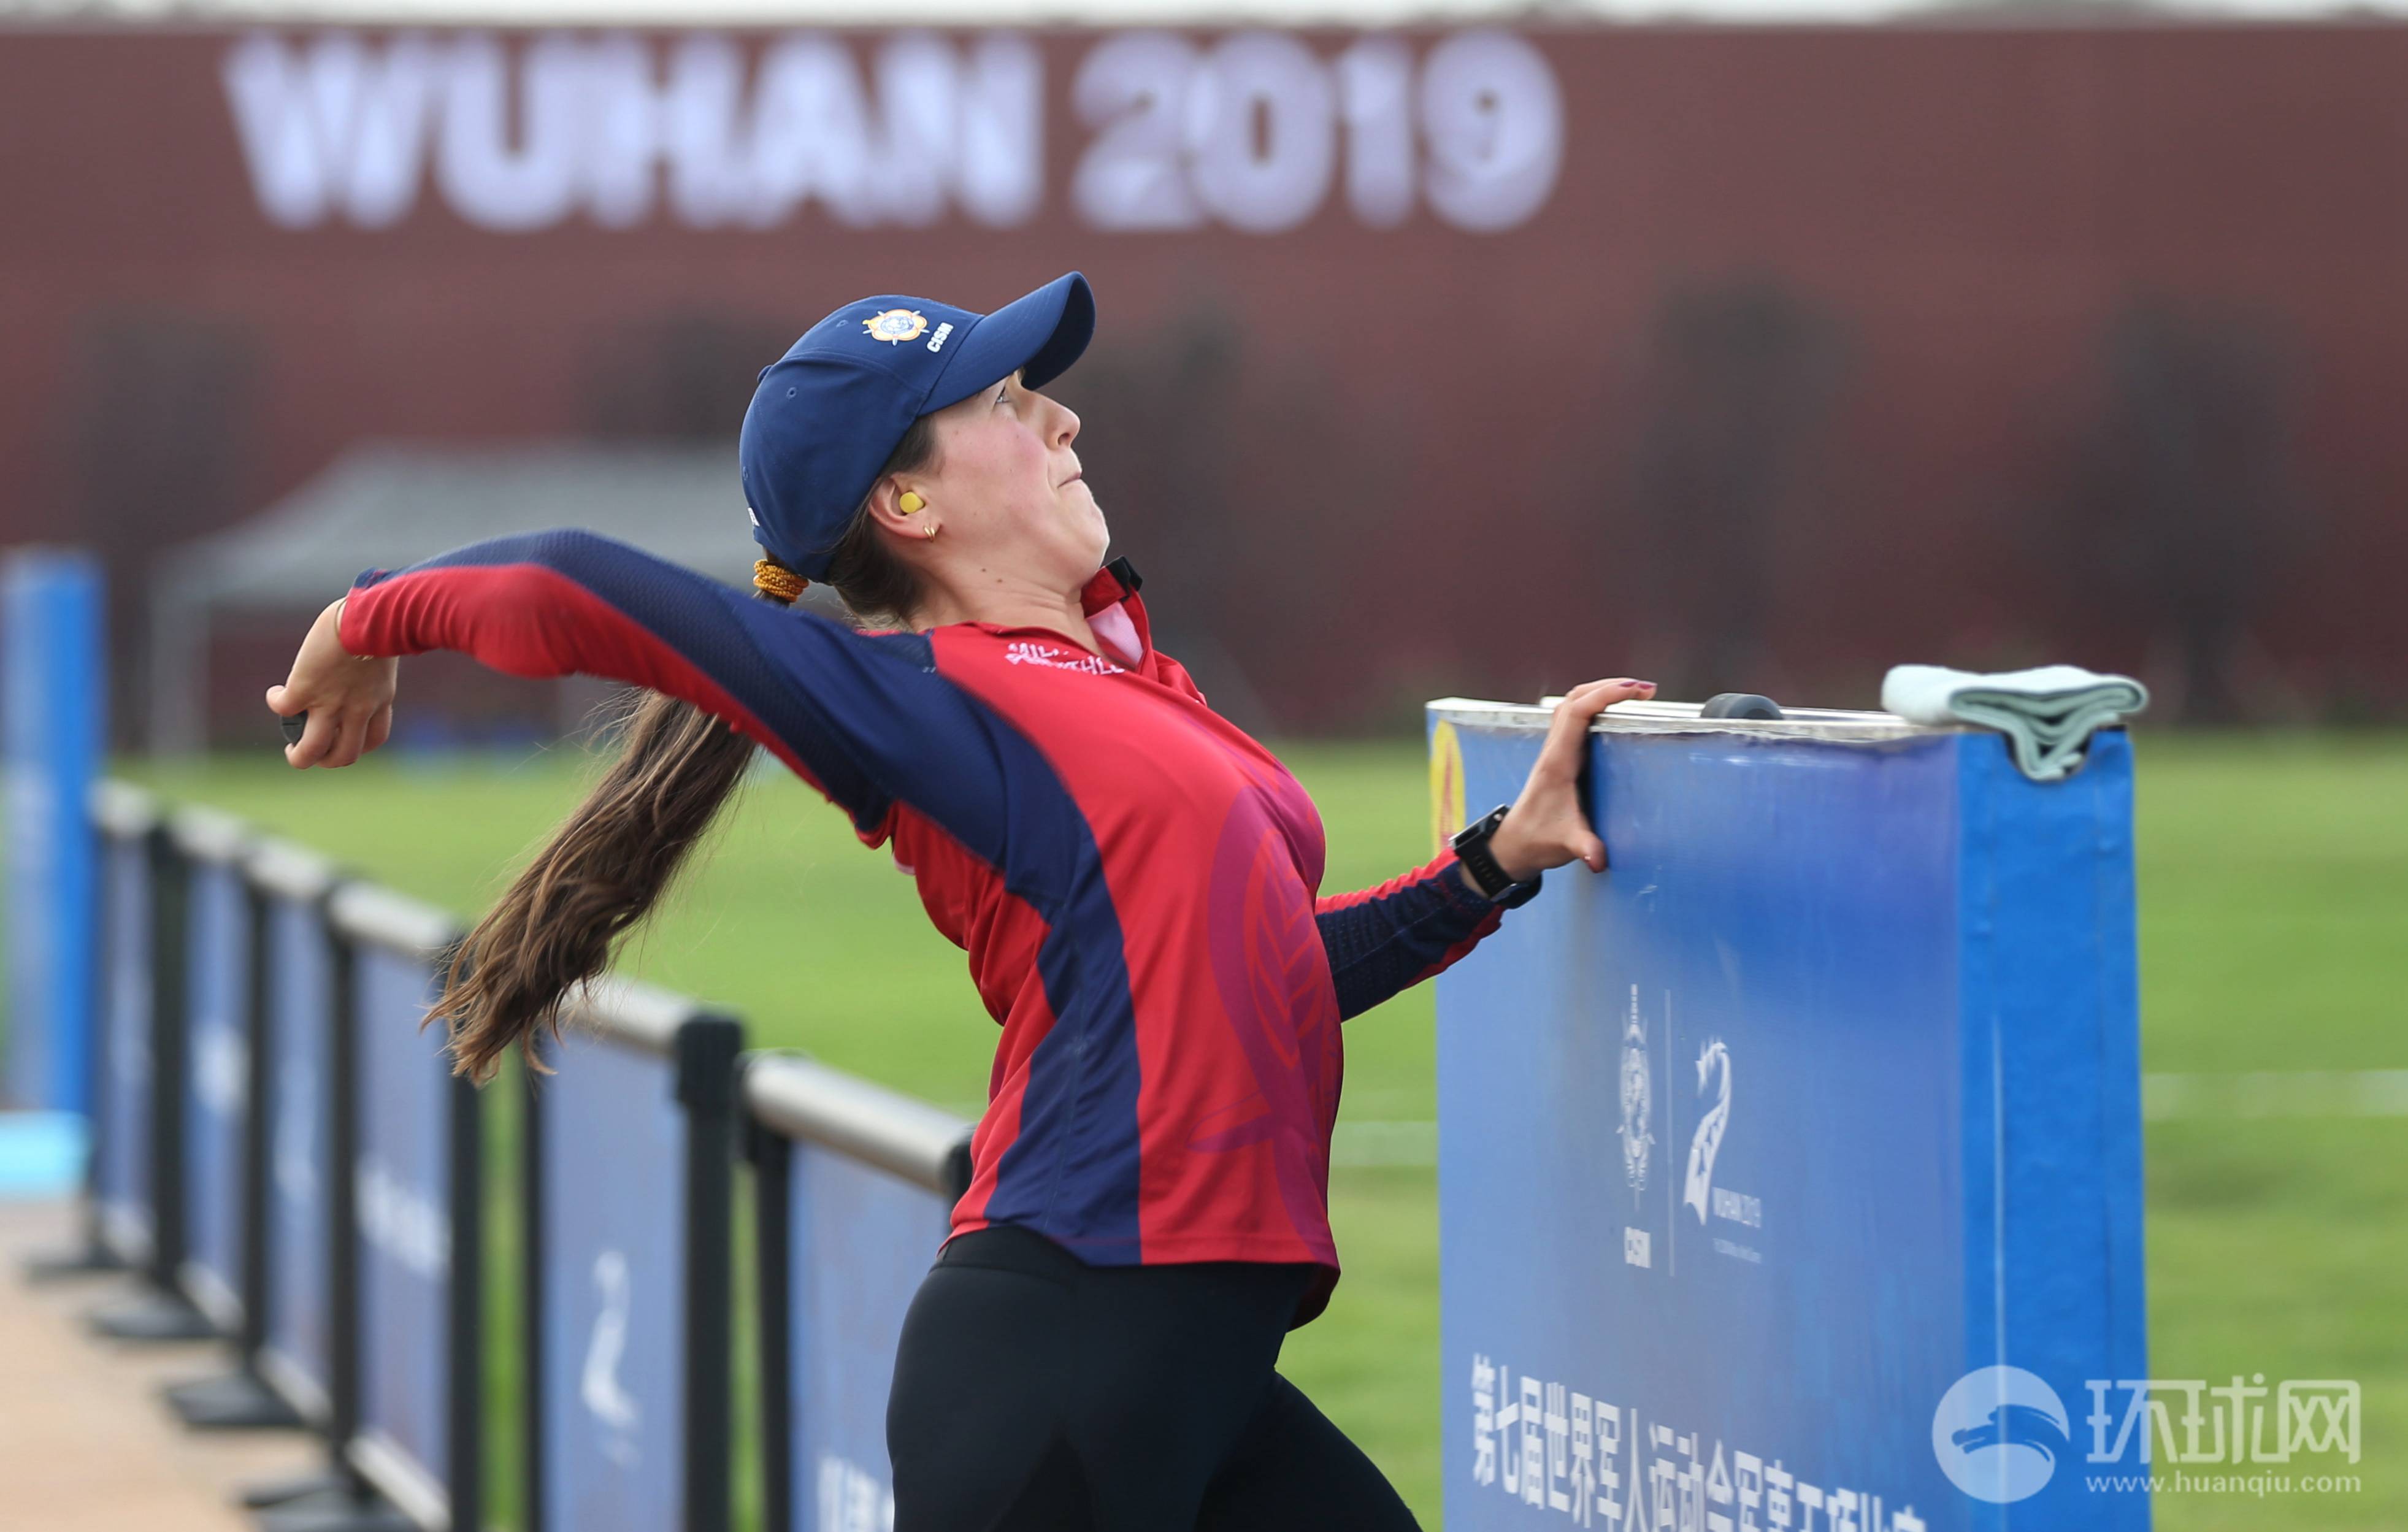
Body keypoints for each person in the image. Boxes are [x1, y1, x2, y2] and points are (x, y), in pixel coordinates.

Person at [267, 271, 1654, 1531]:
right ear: (906, 503)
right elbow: (573, 580)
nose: (1058, 418)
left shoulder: (1140, 693)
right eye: (1001, 401)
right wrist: (360, 619)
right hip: (1066, 1344)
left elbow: (1262, 975)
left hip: (1184, 1359)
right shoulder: (926, 703)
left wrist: (1491, 864)